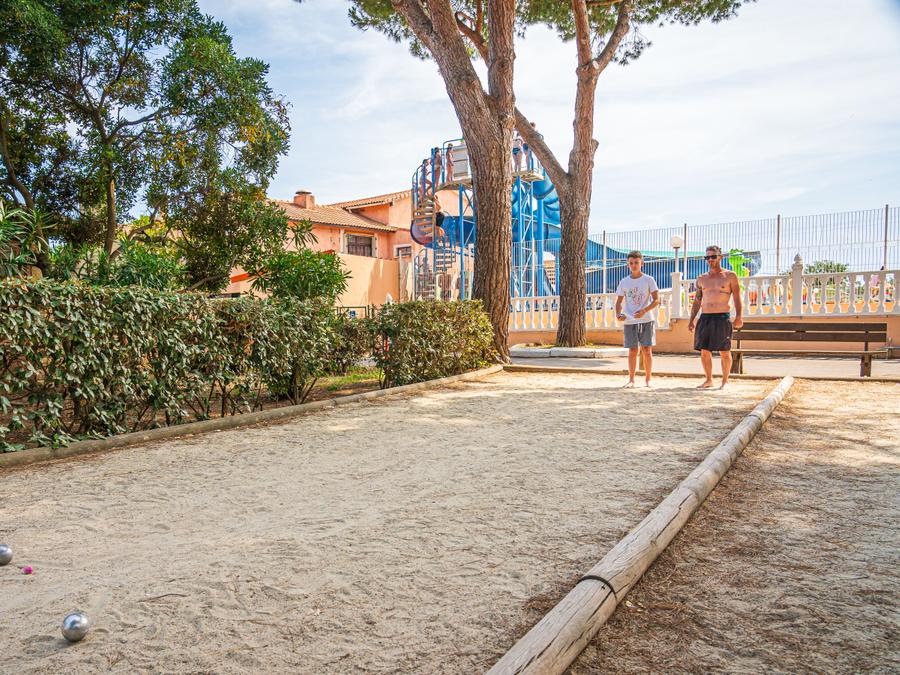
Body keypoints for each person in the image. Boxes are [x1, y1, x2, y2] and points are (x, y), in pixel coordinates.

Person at [688, 245, 744, 389]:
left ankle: (725, 381)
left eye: (713, 256)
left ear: (720, 257)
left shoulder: (730, 276)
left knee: (724, 351)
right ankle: (708, 380)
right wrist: (691, 320)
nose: (710, 259)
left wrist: (739, 316)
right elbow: (697, 301)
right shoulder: (702, 278)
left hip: (722, 318)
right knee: (704, 352)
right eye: (707, 257)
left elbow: (737, 297)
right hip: (705, 317)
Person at [615, 251, 660, 388]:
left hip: (646, 320)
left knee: (647, 350)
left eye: (636, 262)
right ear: (628, 264)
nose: (634, 265)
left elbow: (656, 300)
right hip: (630, 320)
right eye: (631, 263)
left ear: (642, 263)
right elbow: (618, 302)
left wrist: (644, 311)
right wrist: (619, 314)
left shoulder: (649, 279)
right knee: (632, 351)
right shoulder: (624, 282)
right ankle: (631, 380)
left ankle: (648, 379)